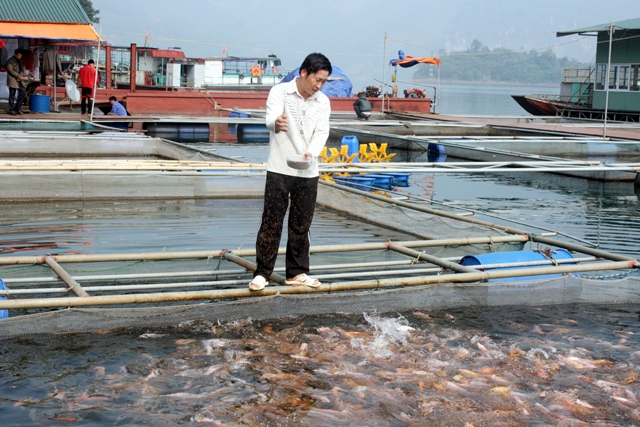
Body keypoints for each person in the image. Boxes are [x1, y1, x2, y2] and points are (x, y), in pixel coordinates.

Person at [249, 52, 332, 291]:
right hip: (279, 167)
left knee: (301, 224)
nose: (319, 85)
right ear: (304, 73)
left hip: (308, 170)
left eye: (324, 81)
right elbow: (271, 117)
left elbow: (322, 132)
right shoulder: (280, 92)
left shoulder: (323, 101)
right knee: (271, 221)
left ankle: (296, 273)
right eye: (317, 79)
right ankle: (262, 273)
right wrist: (276, 123)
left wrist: (312, 153)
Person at [5, 49, 28, 115]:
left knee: (23, 92)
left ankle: (17, 108)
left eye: (20, 55)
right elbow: (10, 70)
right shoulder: (10, 61)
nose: (19, 56)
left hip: (19, 80)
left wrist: (23, 76)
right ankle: (11, 109)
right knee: (12, 95)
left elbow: (21, 70)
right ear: (15, 54)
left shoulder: (20, 61)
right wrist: (19, 76)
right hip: (12, 79)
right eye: (18, 55)